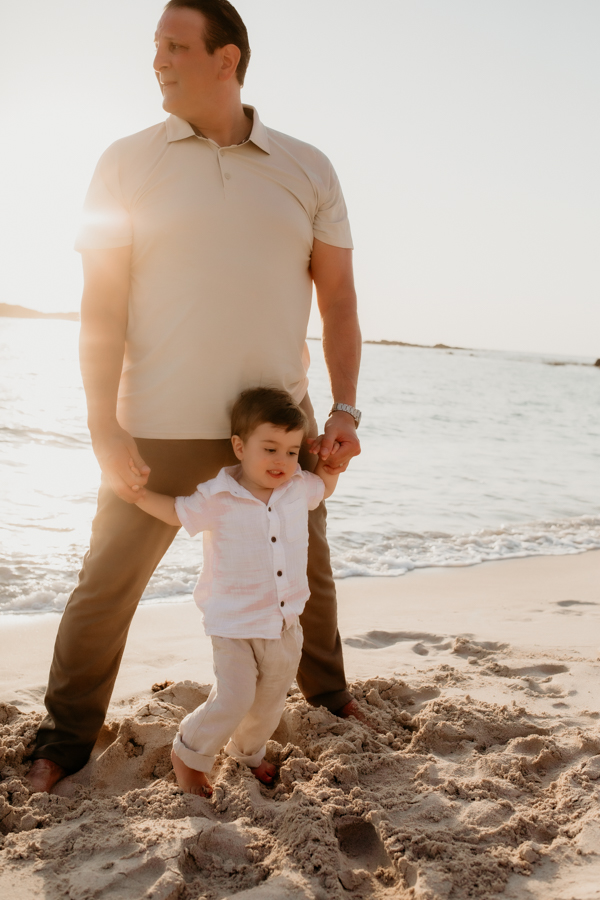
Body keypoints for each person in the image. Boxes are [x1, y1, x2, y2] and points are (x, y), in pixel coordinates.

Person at [27, 0, 362, 794]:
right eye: (156, 46)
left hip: (276, 427)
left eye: (175, 46)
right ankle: (64, 738)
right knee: (105, 588)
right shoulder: (126, 162)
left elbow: (339, 298)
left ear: (226, 58)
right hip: (157, 424)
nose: (158, 60)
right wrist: (102, 425)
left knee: (304, 576)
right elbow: (103, 305)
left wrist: (345, 409)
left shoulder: (307, 167)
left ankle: (330, 699)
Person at [132, 388, 342, 797]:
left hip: (284, 622)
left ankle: (247, 753)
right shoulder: (218, 496)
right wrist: (137, 495)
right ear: (240, 447)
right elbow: (176, 512)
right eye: (270, 449)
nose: (282, 461)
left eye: (292, 451)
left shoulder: (298, 487)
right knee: (234, 696)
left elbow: (325, 488)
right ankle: (189, 752)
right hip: (233, 623)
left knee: (269, 702)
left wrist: (331, 467)